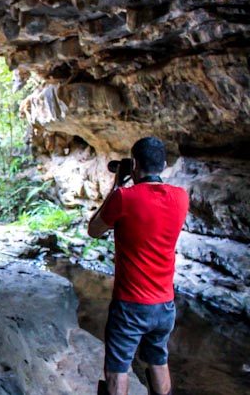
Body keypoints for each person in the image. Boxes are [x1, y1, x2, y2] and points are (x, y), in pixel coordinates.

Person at [87, 137, 189, 395]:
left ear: (134, 164)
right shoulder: (181, 197)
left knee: (117, 369)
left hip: (130, 304)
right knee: (158, 360)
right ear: (164, 165)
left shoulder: (123, 197)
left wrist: (117, 184)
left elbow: (94, 229)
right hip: (165, 304)